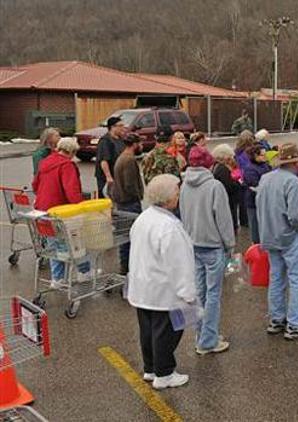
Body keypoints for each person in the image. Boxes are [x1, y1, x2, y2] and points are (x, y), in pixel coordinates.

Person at [127, 174, 197, 389]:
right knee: (167, 332)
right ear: (169, 198)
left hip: (142, 287)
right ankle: (164, 373)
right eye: (177, 192)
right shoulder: (169, 226)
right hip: (163, 289)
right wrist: (188, 292)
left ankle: (151, 368)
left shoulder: (144, 217)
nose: (178, 195)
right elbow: (179, 263)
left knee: (147, 330)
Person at [256, 143, 298, 340]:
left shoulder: (265, 178)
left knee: (276, 278)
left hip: (270, 234)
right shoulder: (292, 182)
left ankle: (277, 319)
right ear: (296, 162)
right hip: (290, 236)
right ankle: (295, 324)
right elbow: (295, 216)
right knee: (296, 279)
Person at [180, 146, 235, 354]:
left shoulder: (185, 184)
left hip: (193, 243)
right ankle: (208, 340)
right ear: (208, 164)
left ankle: (201, 334)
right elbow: (223, 219)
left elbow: (183, 212)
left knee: (200, 292)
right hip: (213, 246)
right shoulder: (214, 186)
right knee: (213, 295)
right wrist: (230, 244)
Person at [32, 137, 90, 288]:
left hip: (43, 209)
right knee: (76, 241)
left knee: (54, 245)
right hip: (61, 210)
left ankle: (57, 278)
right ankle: (83, 272)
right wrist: (80, 208)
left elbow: (35, 185)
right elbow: (71, 190)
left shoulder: (45, 162)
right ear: (71, 151)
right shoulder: (67, 165)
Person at [110, 133, 144, 275]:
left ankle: (125, 268)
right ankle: (128, 269)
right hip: (129, 204)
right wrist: (138, 196)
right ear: (135, 144)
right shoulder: (129, 160)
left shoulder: (121, 158)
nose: (142, 146)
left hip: (122, 202)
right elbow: (130, 184)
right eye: (140, 143)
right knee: (131, 239)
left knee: (124, 238)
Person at [243, 144, 272, 244]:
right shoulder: (250, 169)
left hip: (265, 200)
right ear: (255, 156)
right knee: (255, 227)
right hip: (254, 202)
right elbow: (255, 185)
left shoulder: (265, 165)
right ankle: (256, 245)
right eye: (262, 155)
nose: (265, 157)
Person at [211, 144, 243, 232]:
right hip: (228, 200)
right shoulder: (223, 169)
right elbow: (229, 185)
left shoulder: (216, 166)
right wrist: (237, 184)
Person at [95, 116, 126, 198]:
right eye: (120, 126)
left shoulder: (120, 139)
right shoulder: (105, 141)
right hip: (108, 178)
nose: (123, 128)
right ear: (112, 127)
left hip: (118, 176)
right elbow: (103, 160)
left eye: (123, 126)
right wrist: (108, 177)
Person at [234, 130, 255, 228]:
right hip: (247, 178)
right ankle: (246, 221)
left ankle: (243, 221)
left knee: (241, 201)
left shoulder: (237, 152)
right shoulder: (249, 153)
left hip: (239, 178)